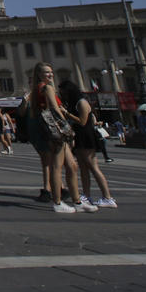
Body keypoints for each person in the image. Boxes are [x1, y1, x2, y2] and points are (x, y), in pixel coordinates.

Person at [25, 63, 95, 214]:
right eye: (47, 72)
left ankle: (77, 201)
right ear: (40, 74)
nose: (51, 75)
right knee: (57, 166)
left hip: (50, 131)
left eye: (51, 72)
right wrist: (66, 128)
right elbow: (54, 109)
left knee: (72, 165)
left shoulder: (36, 90)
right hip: (57, 131)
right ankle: (57, 202)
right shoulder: (47, 88)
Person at [59, 80, 116, 209]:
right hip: (80, 136)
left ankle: (108, 197)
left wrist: (66, 113)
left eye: (64, 93)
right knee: (83, 168)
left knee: (93, 167)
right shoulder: (75, 103)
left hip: (86, 136)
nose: (64, 96)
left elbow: (83, 121)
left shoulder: (82, 102)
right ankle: (86, 195)